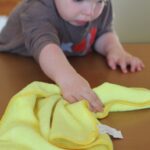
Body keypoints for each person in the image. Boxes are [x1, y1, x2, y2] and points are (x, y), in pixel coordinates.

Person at [0, 0, 144, 112]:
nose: (90, 11)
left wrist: (115, 50)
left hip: (72, 59)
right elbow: (45, 45)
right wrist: (68, 79)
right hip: (18, 63)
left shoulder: (98, 8)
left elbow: (103, 32)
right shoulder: (37, 7)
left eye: (100, 1)